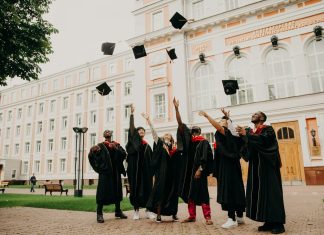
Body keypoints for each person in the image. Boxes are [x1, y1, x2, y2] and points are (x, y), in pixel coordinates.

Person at [236, 112, 286, 234]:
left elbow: (264, 141)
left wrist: (247, 134)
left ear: (262, 118)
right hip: (256, 168)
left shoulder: (268, 129)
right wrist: (243, 136)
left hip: (268, 167)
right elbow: (248, 147)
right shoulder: (252, 131)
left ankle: (279, 224)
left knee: (272, 194)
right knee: (261, 194)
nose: (253, 115)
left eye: (256, 114)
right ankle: (268, 221)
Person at [199, 109, 246, 229]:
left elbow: (220, 128)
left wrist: (207, 116)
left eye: (222, 121)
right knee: (236, 189)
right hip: (232, 165)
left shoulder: (227, 132)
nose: (220, 123)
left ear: (228, 124)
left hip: (228, 166)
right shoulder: (233, 135)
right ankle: (240, 216)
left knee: (229, 191)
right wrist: (226, 117)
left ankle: (232, 218)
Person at [173, 98, 214, 225]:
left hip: (198, 173)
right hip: (188, 174)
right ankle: (192, 216)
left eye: (195, 132)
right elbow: (180, 124)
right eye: (192, 132)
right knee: (190, 194)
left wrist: (200, 170)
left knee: (202, 194)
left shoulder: (204, 142)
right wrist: (176, 109)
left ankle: (208, 217)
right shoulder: (189, 143)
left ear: (199, 132)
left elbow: (206, 159)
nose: (193, 134)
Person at [142, 113, 181, 223]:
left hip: (172, 174)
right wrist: (149, 121)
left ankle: (174, 214)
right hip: (162, 173)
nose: (167, 135)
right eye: (165, 135)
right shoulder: (160, 144)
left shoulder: (175, 147)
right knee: (160, 193)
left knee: (173, 193)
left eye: (169, 135)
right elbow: (154, 134)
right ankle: (158, 215)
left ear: (171, 138)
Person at [88, 130, 128, 223]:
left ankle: (118, 211)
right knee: (102, 192)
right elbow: (93, 157)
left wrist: (115, 148)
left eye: (108, 132)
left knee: (117, 191)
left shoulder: (116, 144)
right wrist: (92, 151)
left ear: (111, 135)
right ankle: (99, 213)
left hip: (116, 172)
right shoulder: (100, 146)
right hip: (105, 173)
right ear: (103, 135)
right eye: (105, 132)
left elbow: (124, 155)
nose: (107, 133)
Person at [125, 104, 155, 220]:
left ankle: (148, 210)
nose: (141, 131)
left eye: (143, 130)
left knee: (148, 190)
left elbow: (152, 160)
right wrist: (132, 114)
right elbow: (131, 128)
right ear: (136, 134)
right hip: (135, 171)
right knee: (136, 190)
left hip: (146, 173)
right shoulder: (133, 143)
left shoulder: (147, 146)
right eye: (139, 130)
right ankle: (136, 210)